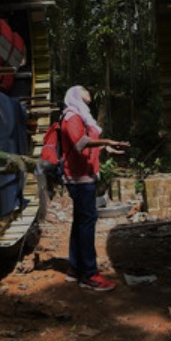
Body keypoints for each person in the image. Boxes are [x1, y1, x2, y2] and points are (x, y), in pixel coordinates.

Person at [59, 85, 130, 291]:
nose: (87, 91)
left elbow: (86, 142)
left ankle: (75, 268)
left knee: (81, 220)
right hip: (79, 178)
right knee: (87, 221)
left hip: (84, 175)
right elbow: (80, 143)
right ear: (73, 94)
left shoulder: (80, 115)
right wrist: (107, 140)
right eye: (83, 89)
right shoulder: (72, 116)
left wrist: (106, 147)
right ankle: (89, 274)